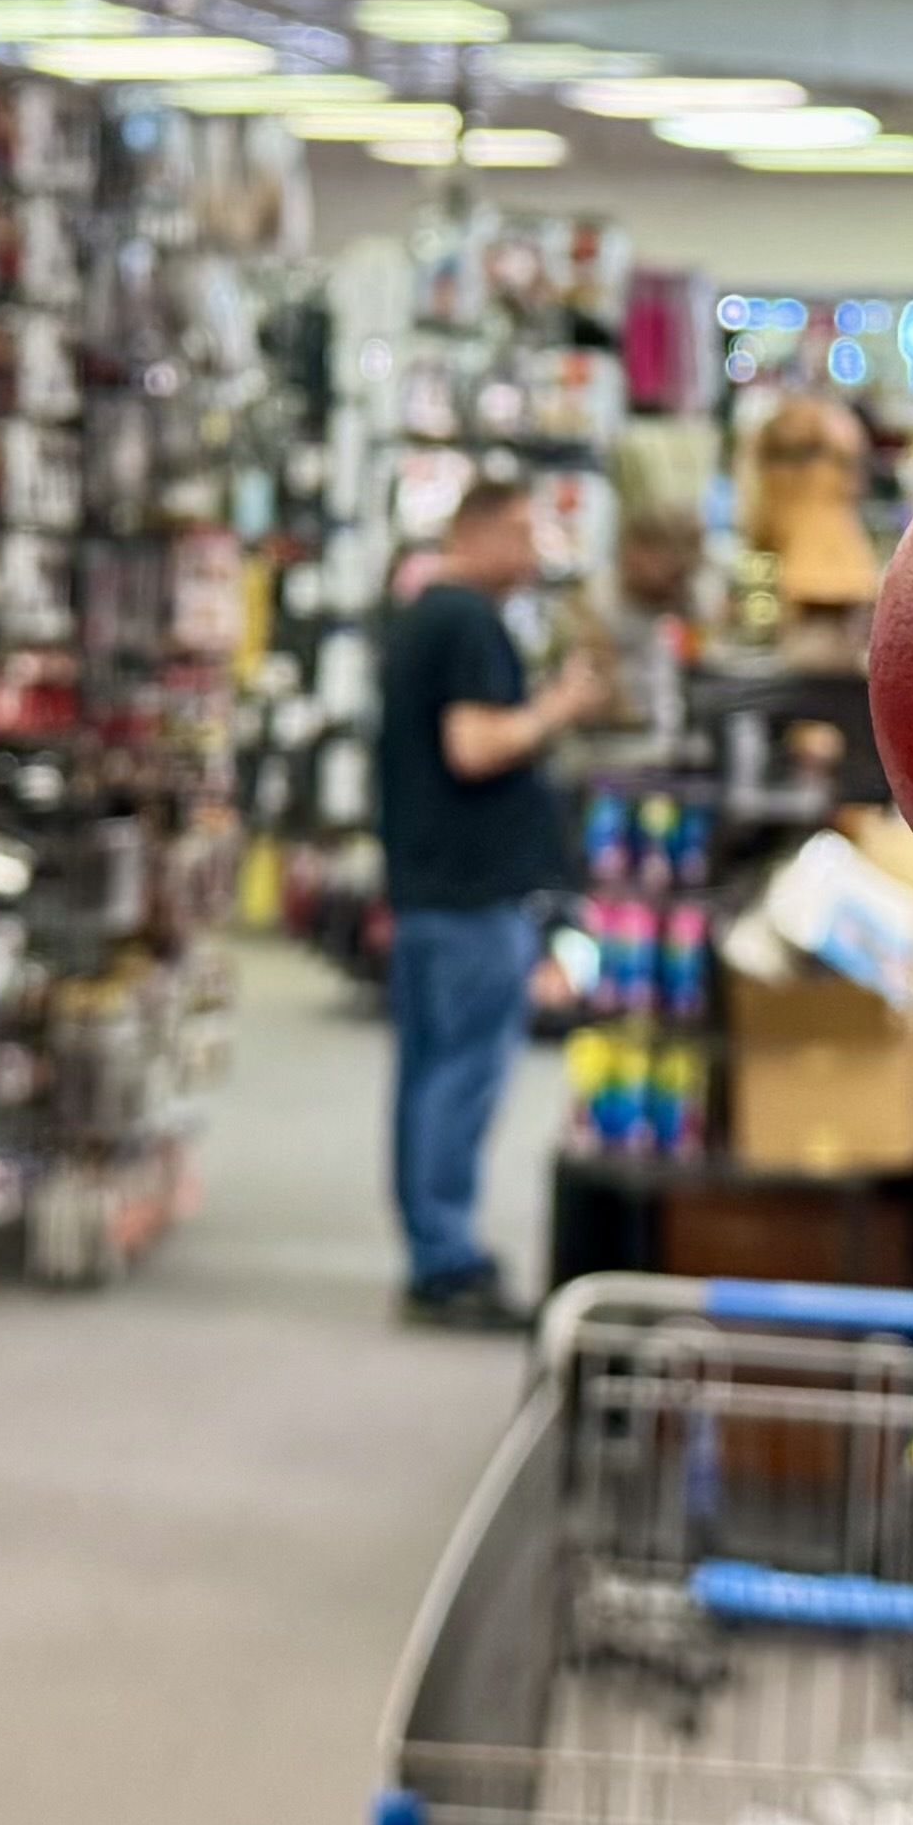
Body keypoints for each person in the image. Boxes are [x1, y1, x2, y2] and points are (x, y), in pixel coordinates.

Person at [373, 478, 611, 1331]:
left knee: (430, 1072)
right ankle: (445, 1259)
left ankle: (433, 1249)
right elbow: (475, 745)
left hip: (431, 885)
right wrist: (560, 706)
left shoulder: (424, 616)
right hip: (469, 891)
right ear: (471, 531)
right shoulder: (466, 620)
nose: (535, 548)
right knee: (461, 1074)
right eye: (518, 529)